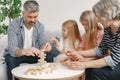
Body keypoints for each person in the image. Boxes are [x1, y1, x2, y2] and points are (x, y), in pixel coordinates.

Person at [64, 0, 120, 80]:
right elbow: (101, 49)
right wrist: (78, 52)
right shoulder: (107, 28)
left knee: (95, 72)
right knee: (89, 69)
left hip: (117, 63)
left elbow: (113, 59)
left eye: (97, 16)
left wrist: (85, 64)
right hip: (115, 62)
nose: (96, 20)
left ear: (106, 15)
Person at [4, 0, 55, 80]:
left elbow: (42, 44)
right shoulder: (13, 25)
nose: (33, 20)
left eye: (35, 17)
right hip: (18, 55)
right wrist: (25, 51)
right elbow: (12, 48)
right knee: (10, 59)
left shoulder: (40, 26)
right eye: (29, 17)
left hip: (33, 55)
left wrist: (47, 47)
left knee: (50, 56)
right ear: (23, 13)